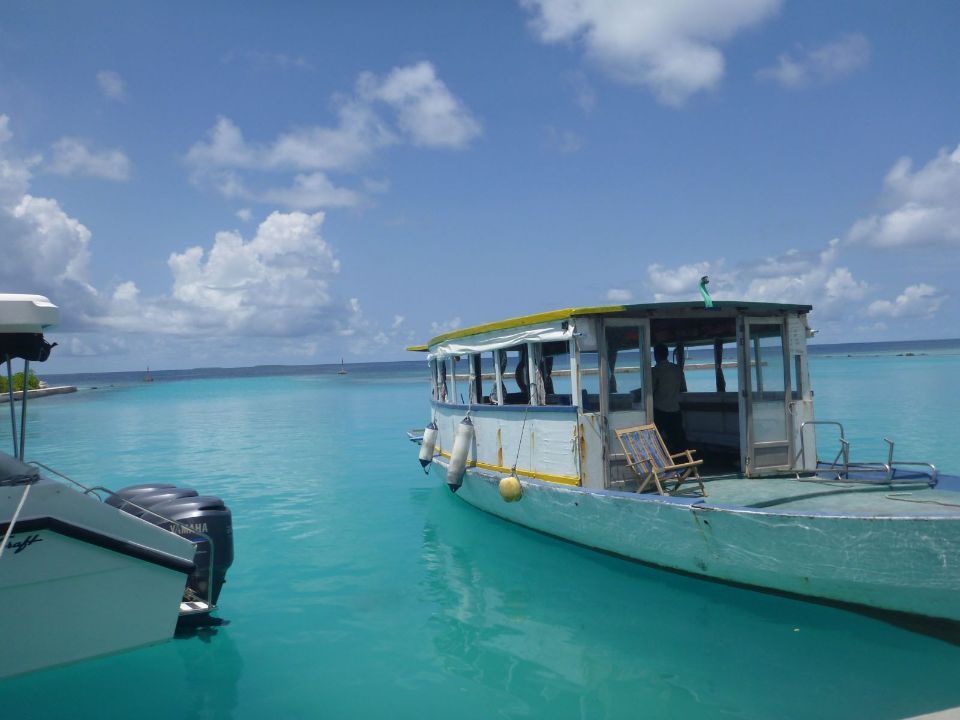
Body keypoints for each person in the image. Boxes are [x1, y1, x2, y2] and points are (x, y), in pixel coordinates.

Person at [652, 343, 687, 451]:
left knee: (654, 439)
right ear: (667, 354)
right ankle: (683, 463)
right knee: (678, 441)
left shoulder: (655, 371)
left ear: (656, 355)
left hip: (659, 411)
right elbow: (683, 388)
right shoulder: (677, 369)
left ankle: (658, 461)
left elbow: (650, 390)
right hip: (675, 410)